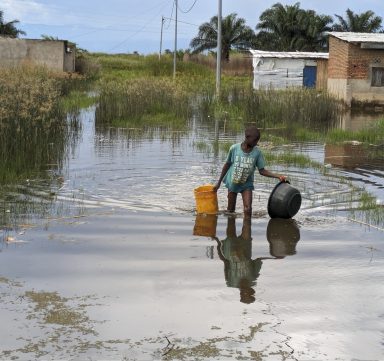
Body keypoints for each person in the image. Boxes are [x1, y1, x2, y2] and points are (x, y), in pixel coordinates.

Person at [213, 125, 287, 217]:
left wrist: (278, 176)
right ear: (247, 138)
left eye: (257, 140)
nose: (256, 143)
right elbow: (227, 165)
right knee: (230, 211)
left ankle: (247, 228)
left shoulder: (257, 153)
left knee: (248, 210)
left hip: (246, 185)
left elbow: (262, 170)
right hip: (233, 183)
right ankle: (231, 229)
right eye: (255, 140)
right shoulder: (234, 149)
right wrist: (218, 183)